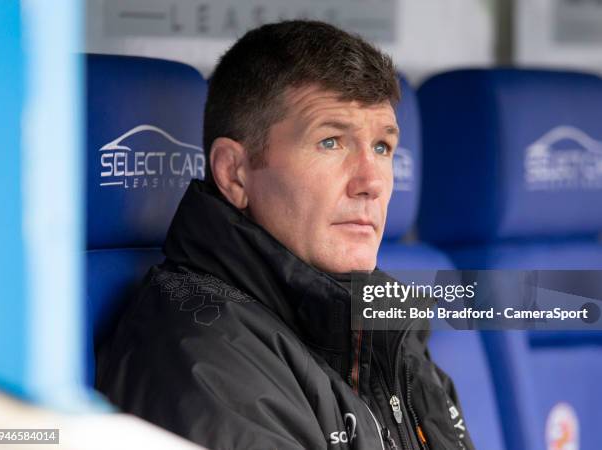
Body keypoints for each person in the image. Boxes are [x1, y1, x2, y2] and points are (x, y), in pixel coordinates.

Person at [96, 20, 474, 450]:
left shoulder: (381, 328)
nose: (372, 181)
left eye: (383, 147)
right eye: (331, 142)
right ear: (234, 173)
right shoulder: (202, 357)